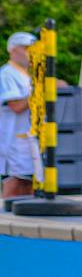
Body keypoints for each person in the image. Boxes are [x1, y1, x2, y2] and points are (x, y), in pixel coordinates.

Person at [1, 32, 39, 200]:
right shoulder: (6, 74)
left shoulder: (29, 76)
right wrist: (41, 92)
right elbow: (15, 106)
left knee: (29, 187)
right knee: (14, 186)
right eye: (26, 48)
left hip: (29, 142)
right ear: (13, 50)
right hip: (13, 142)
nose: (29, 52)